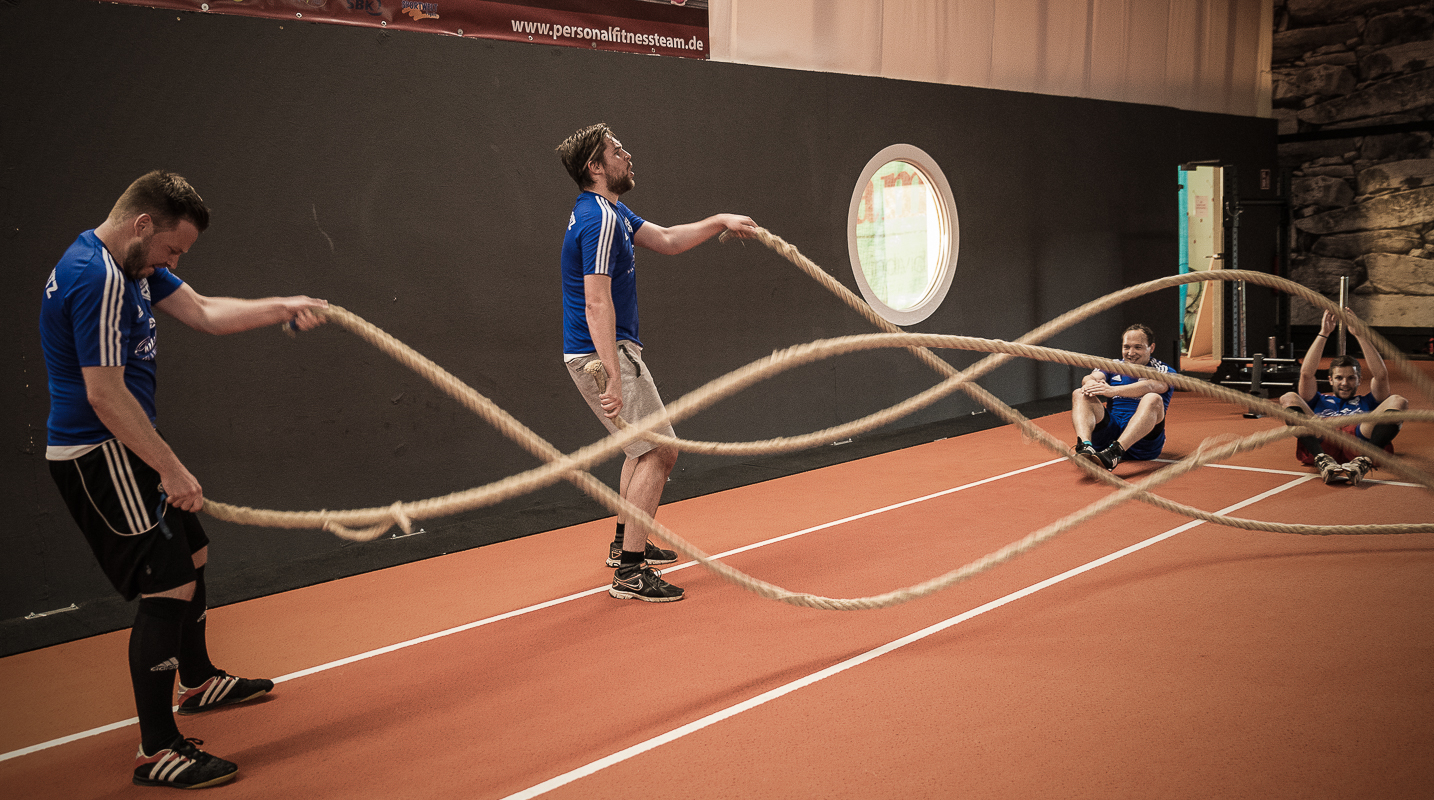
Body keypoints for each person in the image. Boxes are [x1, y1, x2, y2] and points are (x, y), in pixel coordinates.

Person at [40, 171, 329, 789]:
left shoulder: (128, 263)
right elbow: (104, 396)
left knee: (192, 551)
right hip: (100, 452)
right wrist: (171, 469)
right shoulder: (100, 278)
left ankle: (196, 680)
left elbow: (202, 312)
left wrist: (285, 306)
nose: (173, 261)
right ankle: (157, 749)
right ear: (143, 224)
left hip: (124, 445)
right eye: (173, 249)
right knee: (166, 580)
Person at [555, 123, 757, 602]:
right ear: (596, 167)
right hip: (602, 352)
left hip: (606, 350)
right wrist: (614, 377)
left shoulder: (611, 211)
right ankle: (629, 572)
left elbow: (666, 239)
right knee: (661, 451)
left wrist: (720, 219)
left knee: (638, 450)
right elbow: (596, 303)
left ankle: (623, 544)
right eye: (617, 151)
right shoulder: (600, 220)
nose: (628, 155)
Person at [1279, 309, 1407, 485]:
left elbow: (1381, 376)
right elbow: (1307, 374)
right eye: (1339, 378)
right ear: (1330, 379)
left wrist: (1360, 335)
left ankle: (1364, 461)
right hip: (1323, 435)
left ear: (1359, 380)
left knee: (1398, 401)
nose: (1345, 383)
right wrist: (1324, 333)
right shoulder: (1318, 399)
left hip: (1359, 440)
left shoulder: (1367, 401)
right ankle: (1322, 459)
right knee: (1289, 397)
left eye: (1351, 378)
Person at [1071, 323, 1175, 471]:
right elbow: (1089, 377)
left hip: (1143, 443)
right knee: (1079, 393)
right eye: (1127, 347)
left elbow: (1153, 386)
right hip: (1110, 434)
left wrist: (1114, 391)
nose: (1131, 353)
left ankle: (1116, 452)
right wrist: (1092, 383)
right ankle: (1085, 446)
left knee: (1153, 398)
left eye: (1138, 347)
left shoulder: (1162, 370)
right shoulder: (1113, 365)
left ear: (1151, 348)